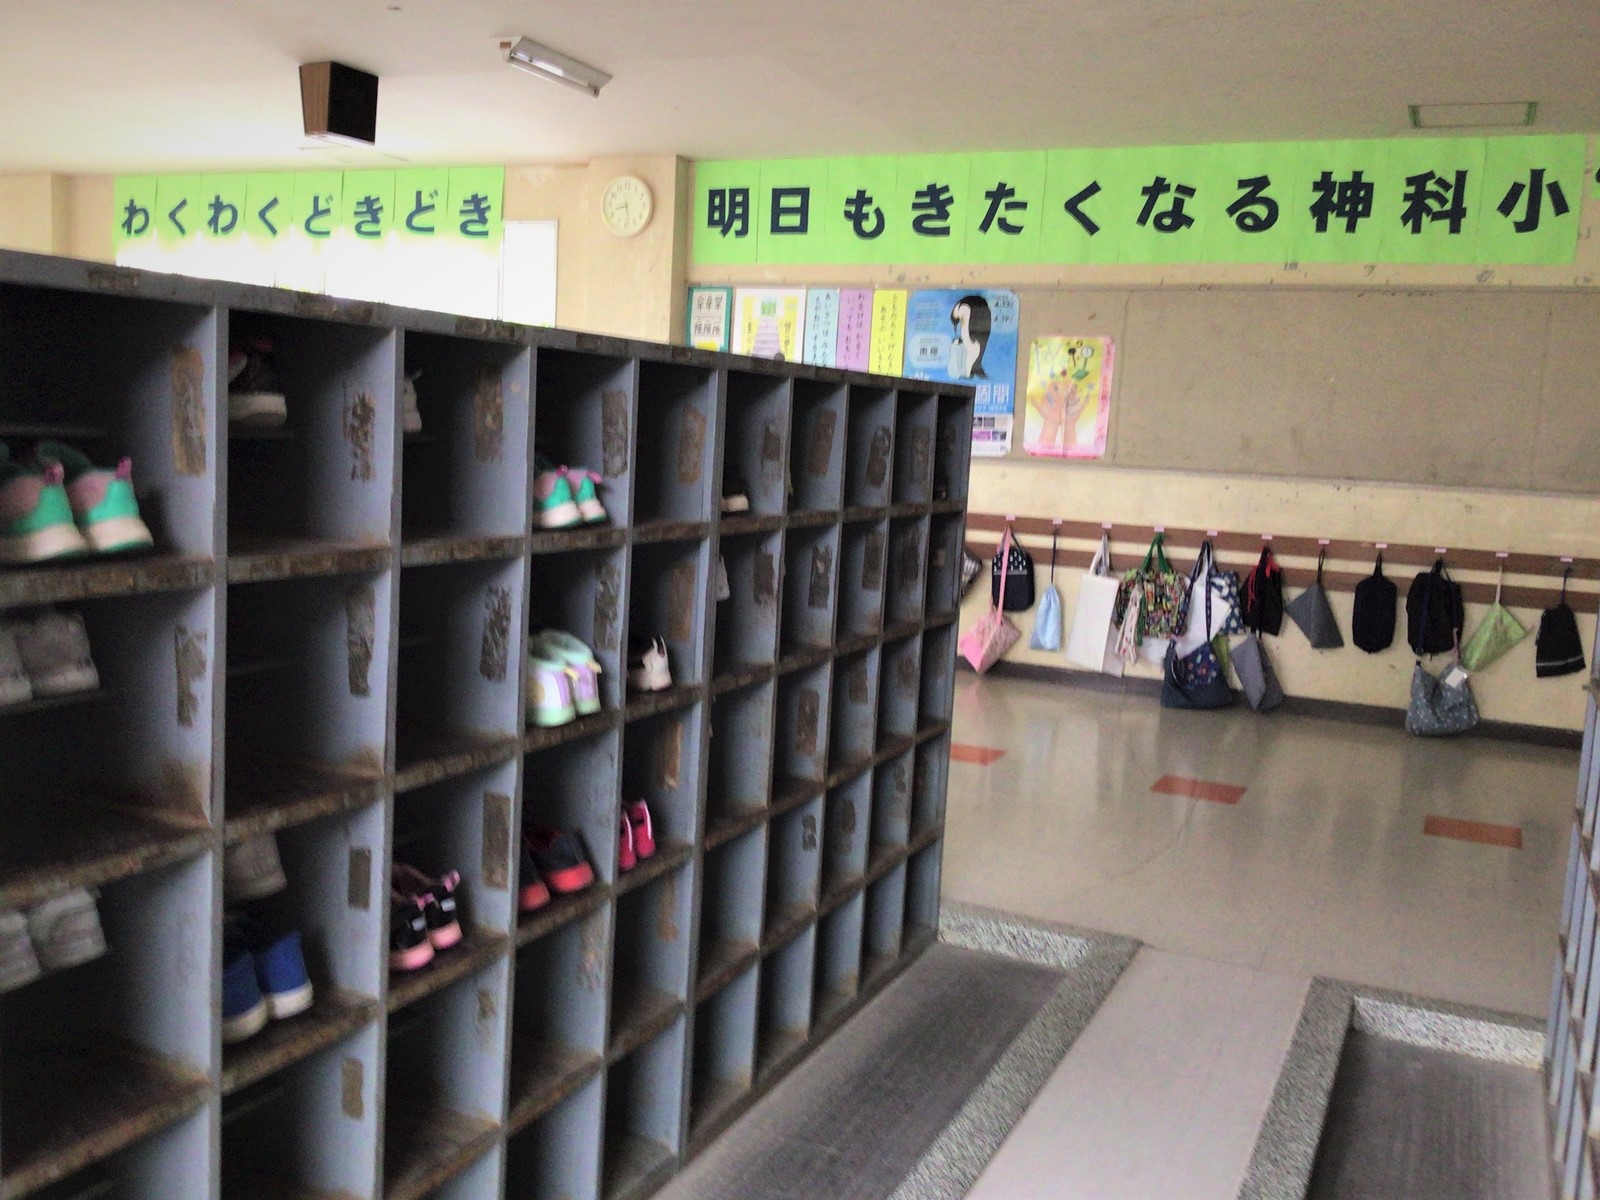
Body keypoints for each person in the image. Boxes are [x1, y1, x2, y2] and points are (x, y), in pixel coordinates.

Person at [948, 294, 991, 379]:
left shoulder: (962, 308)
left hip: (974, 316)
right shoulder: (963, 307)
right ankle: (973, 368)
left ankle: (971, 370)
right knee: (977, 346)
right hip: (982, 313)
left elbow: (965, 331)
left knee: (972, 345)